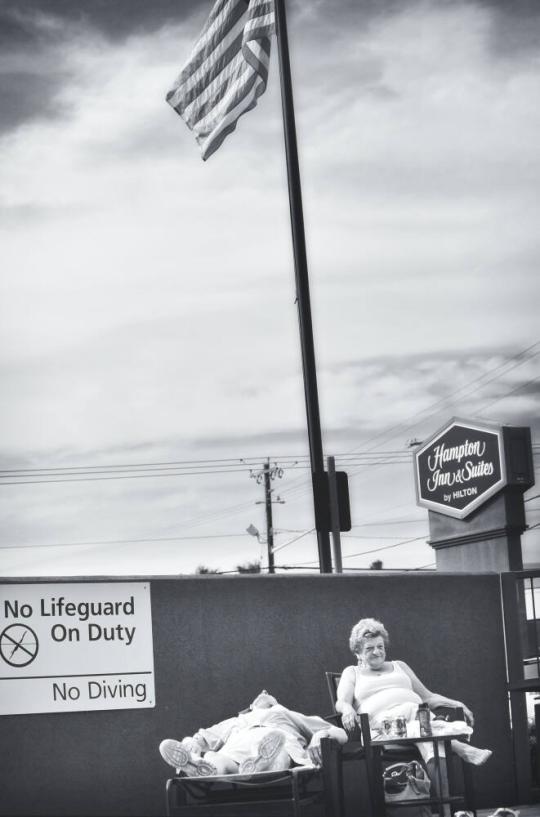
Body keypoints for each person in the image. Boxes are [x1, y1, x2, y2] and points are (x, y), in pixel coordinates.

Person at [335, 617, 492, 776]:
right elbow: (341, 702)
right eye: (369, 648)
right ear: (358, 653)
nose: (377, 652)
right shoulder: (352, 672)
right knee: (423, 723)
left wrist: (456, 703)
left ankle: (443, 801)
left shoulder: (400, 666)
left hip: (416, 720)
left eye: (380, 646)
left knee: (431, 744)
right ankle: (460, 746)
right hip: (382, 729)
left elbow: (428, 697)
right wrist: (347, 708)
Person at [159, 690, 348, 776]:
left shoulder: (283, 714)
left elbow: (340, 733)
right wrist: (190, 745)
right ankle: (201, 767)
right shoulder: (237, 722)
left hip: (275, 743)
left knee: (278, 752)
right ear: (250, 707)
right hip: (237, 751)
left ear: (275, 703)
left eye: (269, 695)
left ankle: (260, 765)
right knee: (216, 759)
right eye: (260, 695)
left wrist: (319, 736)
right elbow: (200, 738)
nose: (264, 692)